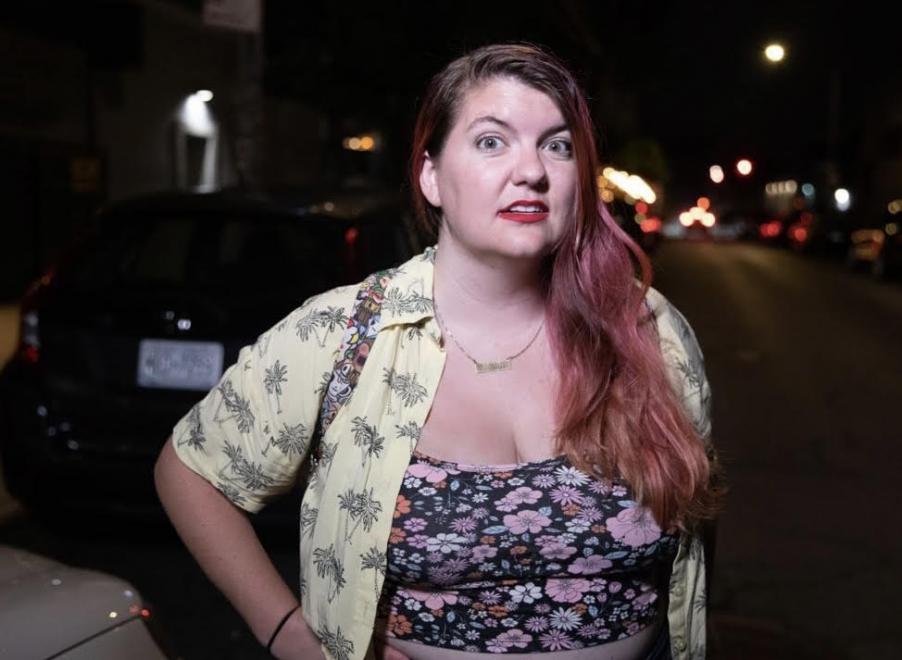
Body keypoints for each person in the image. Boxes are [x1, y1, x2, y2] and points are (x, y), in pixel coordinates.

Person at [154, 43, 720, 660]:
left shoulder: (646, 329)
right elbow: (190, 471)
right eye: (491, 141)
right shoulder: (346, 332)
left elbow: (697, 529)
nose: (531, 171)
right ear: (431, 176)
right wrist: (289, 633)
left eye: (557, 146)